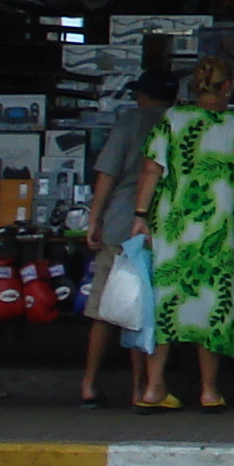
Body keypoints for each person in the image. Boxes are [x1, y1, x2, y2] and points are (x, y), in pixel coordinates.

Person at [135, 57, 234, 413]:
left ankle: (153, 388)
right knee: (214, 305)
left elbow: (151, 170)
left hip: (172, 230)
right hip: (220, 232)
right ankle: (209, 390)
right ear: (227, 88)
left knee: (163, 304)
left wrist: (140, 216)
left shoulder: (171, 121)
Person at [81, 70, 173, 408]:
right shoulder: (182, 122)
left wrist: (94, 218)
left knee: (105, 308)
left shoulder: (131, 121)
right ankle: (141, 389)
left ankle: (89, 384)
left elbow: (107, 172)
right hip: (164, 227)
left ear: (143, 96)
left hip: (122, 224)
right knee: (144, 309)